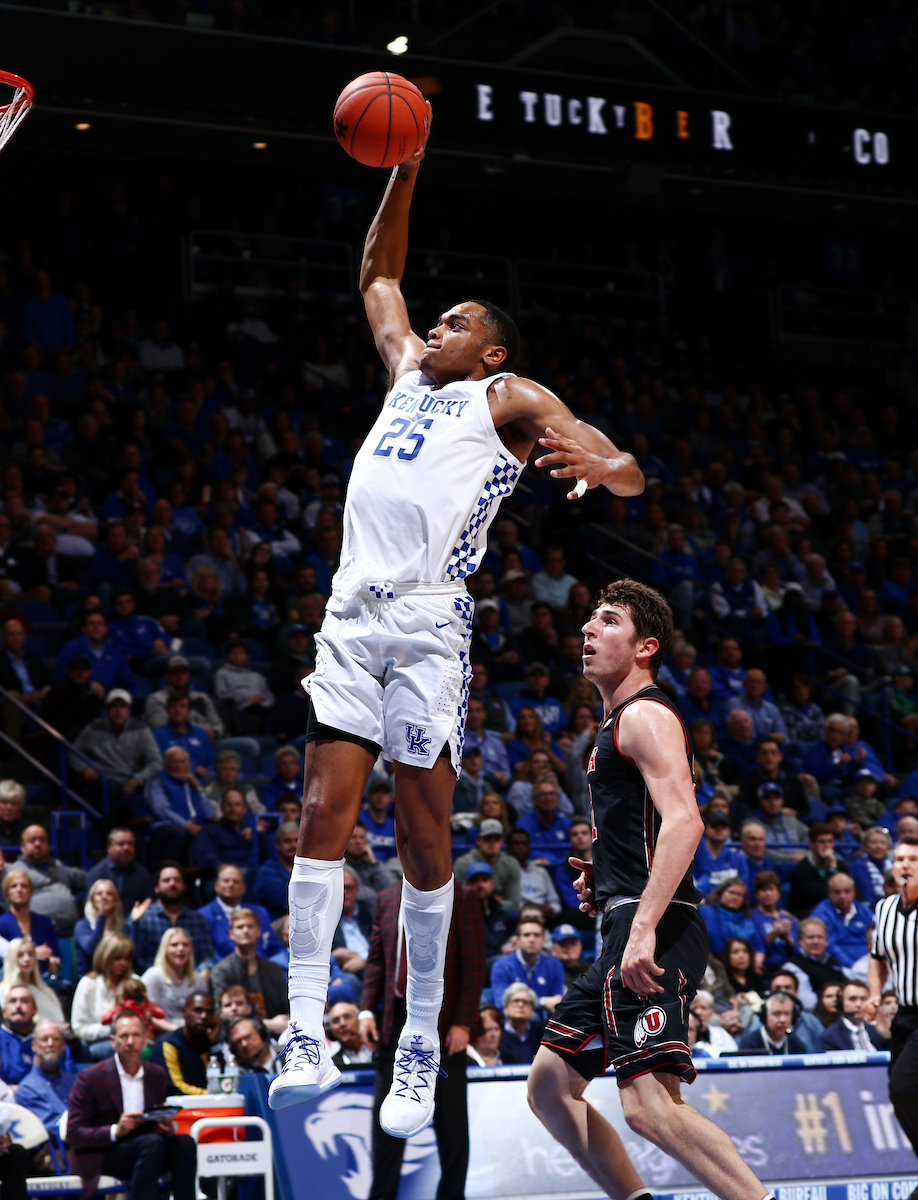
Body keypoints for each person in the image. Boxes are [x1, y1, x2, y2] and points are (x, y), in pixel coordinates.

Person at [271, 119, 644, 1131]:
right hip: (351, 618)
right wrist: (409, 166)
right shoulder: (405, 377)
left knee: (427, 844)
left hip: (431, 632)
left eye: (454, 322)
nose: (432, 328)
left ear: (493, 348)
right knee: (321, 817)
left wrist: (604, 468)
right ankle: (304, 1024)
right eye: (433, 322)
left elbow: (616, 456)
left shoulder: (505, 396)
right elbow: (375, 277)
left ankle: (419, 1048)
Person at [528, 579, 776, 1200]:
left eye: (608, 621)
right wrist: (606, 879)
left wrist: (640, 926)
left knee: (647, 1105)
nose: (588, 629)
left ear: (646, 647)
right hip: (629, 918)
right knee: (550, 1087)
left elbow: (685, 820)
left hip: (653, 930)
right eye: (588, 621)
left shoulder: (644, 714)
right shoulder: (617, 721)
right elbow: (647, 830)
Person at [359, 874, 486, 1200]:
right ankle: (382, 1196)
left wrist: (463, 1022)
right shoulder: (387, 897)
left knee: (452, 1125)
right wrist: (366, 1011)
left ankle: (451, 1196)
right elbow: (376, 960)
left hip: (445, 1026)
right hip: (393, 1021)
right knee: (385, 1126)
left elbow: (474, 964)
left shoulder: (464, 895)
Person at [67, 1008, 197, 1198]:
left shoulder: (156, 1074)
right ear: (113, 1041)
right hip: (107, 1153)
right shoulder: (90, 1077)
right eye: (124, 1036)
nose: (130, 1042)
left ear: (145, 1040)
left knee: (185, 1143)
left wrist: (164, 1127)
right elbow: (74, 1133)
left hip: (148, 1149)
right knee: (151, 1143)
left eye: (136, 1035)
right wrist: (115, 1130)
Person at [865, 835, 918, 1158]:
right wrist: (874, 994)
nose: (905, 866)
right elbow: (877, 956)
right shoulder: (884, 908)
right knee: (899, 1098)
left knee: (903, 1087)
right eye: (900, 860)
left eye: (913, 860)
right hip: (905, 1015)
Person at [209, 908, 290, 1030]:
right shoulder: (221, 972)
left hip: (276, 1036)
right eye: (240, 927)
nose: (245, 931)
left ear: (259, 932)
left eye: (250, 926)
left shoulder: (273, 969)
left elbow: (287, 1007)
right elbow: (221, 1015)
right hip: (237, 1035)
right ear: (231, 934)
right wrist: (267, 1024)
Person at [2, 824, 86, 937]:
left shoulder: (58, 866)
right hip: (35, 932)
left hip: (71, 929)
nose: (37, 844)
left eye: (42, 840)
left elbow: (91, 877)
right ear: (22, 846)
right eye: (32, 840)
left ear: (48, 844)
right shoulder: (13, 872)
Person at [135, 863, 215, 975]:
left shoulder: (197, 919)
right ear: (156, 888)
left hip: (190, 979)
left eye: (177, 880)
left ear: (184, 886)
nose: (172, 884)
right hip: (154, 979)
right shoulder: (144, 917)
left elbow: (206, 956)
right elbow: (137, 958)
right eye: (166, 880)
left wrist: (204, 973)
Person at [71, 932, 138, 1060]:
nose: (123, 963)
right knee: (118, 1047)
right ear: (105, 957)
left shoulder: (134, 982)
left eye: (126, 958)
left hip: (133, 1038)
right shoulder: (88, 984)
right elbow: (79, 1029)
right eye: (117, 958)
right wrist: (115, 1030)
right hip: (99, 1042)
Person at [198, 863, 284, 961]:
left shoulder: (260, 912)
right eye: (226, 881)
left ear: (243, 888)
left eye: (236, 881)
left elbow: (274, 948)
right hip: (225, 972)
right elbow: (208, 955)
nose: (231, 885)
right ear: (216, 885)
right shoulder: (203, 916)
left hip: (262, 970)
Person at [148, 991, 224, 1095]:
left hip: (211, 1106)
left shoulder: (212, 1042)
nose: (204, 1016)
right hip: (176, 1108)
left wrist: (214, 1043)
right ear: (184, 1012)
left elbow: (224, 1080)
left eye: (209, 1012)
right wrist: (210, 1094)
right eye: (197, 1010)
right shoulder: (168, 1043)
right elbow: (174, 1087)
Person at [490, 917, 565, 1014]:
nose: (532, 939)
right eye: (526, 935)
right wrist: (542, 1002)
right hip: (513, 1020)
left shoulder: (554, 964)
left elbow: (556, 1001)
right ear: (517, 940)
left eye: (536, 935)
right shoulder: (501, 966)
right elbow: (502, 1003)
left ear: (543, 941)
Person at [15, 1020, 75, 1140]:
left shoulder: (75, 1080)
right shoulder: (27, 1089)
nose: (50, 1044)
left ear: (63, 1046)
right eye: (44, 1039)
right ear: (33, 1046)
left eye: (56, 1039)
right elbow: (56, 1130)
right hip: (59, 1151)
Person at [810, 872, 875, 980]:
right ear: (829, 893)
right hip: (839, 966)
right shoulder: (821, 913)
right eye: (837, 892)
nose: (842, 896)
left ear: (854, 892)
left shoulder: (864, 911)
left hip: (867, 962)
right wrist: (852, 965)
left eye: (847, 891)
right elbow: (828, 945)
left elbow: (875, 937)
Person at [141, 927, 210, 1028]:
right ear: (165, 949)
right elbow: (149, 1017)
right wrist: (177, 1031)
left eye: (185, 945)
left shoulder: (198, 980)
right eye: (174, 945)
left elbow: (205, 1012)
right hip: (162, 1034)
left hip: (193, 1033)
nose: (180, 949)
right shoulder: (152, 976)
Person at [0, 869, 60, 981]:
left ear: (31, 891)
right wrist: (32, 953)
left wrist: (54, 962)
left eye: (24, 886)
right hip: (10, 981)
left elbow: (56, 956)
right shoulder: (1, 924)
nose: (19, 890)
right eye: (14, 886)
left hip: (43, 980)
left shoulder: (45, 923)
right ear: (6, 893)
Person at [453, 820, 521, 913]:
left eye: (496, 838)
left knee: (514, 914)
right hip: (470, 911)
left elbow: (513, 902)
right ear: (478, 840)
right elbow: (459, 900)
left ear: (502, 841)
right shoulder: (463, 863)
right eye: (487, 838)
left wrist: (490, 905)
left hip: (500, 913)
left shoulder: (512, 863)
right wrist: (493, 901)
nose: (492, 842)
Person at [781, 917, 847, 1011]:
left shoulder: (832, 960)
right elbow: (807, 1003)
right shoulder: (793, 966)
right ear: (800, 941)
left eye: (820, 937)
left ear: (826, 940)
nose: (815, 942)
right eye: (810, 937)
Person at [788, 824, 853, 918]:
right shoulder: (801, 869)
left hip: (838, 914)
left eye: (830, 841)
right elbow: (821, 895)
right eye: (822, 842)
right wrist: (832, 868)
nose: (826, 846)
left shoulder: (840, 865)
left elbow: (853, 891)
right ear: (811, 844)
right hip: (808, 915)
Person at [85, 828, 155, 914]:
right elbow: (90, 909)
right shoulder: (97, 874)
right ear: (109, 847)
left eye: (130, 844)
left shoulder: (143, 874)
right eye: (120, 844)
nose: (126, 848)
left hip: (139, 923)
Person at [0, 939, 65, 1025]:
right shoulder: (2, 992)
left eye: (30, 954)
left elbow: (59, 1022)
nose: (27, 959)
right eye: (20, 955)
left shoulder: (45, 992)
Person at [506, 827, 562, 921]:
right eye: (516, 844)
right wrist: (534, 910)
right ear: (508, 848)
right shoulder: (505, 871)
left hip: (544, 917)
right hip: (517, 917)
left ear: (529, 847)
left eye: (524, 844)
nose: (521, 847)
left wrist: (551, 909)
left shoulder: (541, 872)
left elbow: (555, 903)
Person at [818, 979, 885, 1051]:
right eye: (852, 999)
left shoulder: (877, 1031)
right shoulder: (829, 1037)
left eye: (863, 999)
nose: (859, 1005)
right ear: (841, 1003)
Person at [736, 991, 806, 1055]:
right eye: (776, 1014)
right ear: (764, 1015)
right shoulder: (749, 1044)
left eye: (787, 1014)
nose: (782, 1020)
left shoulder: (797, 1044)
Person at [254, 821, 298, 920]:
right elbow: (288, 903)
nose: (293, 845)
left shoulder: (307, 869)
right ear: (277, 844)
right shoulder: (267, 871)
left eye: (297, 841)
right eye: (287, 841)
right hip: (276, 923)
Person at [0, 986, 40, 1085]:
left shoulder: (49, 1040)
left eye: (25, 1001)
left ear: (35, 1010)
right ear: (4, 1012)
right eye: (12, 1001)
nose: (18, 1006)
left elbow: (67, 1081)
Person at [499, 982, 544, 1064]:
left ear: (532, 1010)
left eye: (525, 1002)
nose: (520, 1005)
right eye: (515, 1001)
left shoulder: (542, 1033)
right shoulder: (497, 1034)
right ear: (505, 1008)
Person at [327, 1002, 372, 1068]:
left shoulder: (385, 1054)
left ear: (360, 1020)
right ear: (331, 1031)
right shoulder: (330, 1066)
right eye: (336, 1020)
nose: (342, 1024)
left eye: (347, 1016)